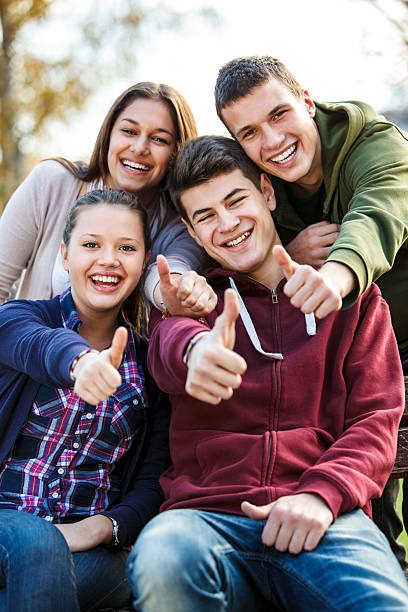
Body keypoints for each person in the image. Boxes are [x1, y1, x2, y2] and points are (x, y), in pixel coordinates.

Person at [126, 136, 408, 612]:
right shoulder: (191, 307)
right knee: (162, 559)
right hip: (204, 519)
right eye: (206, 216)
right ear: (193, 236)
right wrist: (196, 350)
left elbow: (377, 420)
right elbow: (169, 349)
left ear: (268, 193)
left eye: (236, 201)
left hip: (323, 515)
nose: (228, 224)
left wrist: (322, 495)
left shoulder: (353, 299)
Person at [214, 55, 408, 567]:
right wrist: (287, 259)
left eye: (279, 115)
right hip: (336, 357)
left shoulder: (375, 143)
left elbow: (377, 214)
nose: (272, 141)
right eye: (250, 132)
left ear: (305, 101)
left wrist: (335, 278)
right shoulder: (258, 182)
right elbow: (215, 223)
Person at [0, 188, 170, 612]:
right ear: (64, 254)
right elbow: (37, 345)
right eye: (91, 245)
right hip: (6, 526)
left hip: (89, 548)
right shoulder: (20, 319)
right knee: (37, 544)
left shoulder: (151, 367)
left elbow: (152, 485)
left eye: (126, 248)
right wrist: (79, 363)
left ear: (143, 262)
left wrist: (99, 529)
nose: (108, 259)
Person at [0, 81, 215, 319]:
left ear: (176, 152)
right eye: (129, 131)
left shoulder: (180, 225)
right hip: (31, 351)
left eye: (159, 140)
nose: (139, 147)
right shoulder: (52, 183)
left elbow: (170, 271)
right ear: (109, 134)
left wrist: (174, 290)